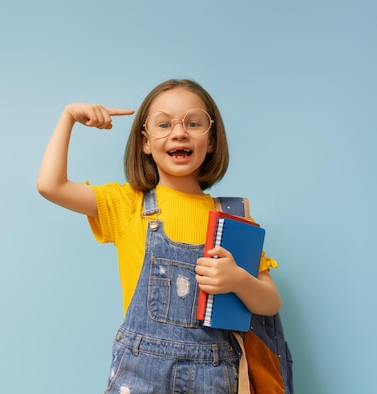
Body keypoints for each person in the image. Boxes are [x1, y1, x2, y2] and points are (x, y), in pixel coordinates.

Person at [37, 79, 281, 393]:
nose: (179, 132)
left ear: (212, 141)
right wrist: (68, 116)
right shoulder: (127, 204)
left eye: (193, 123)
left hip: (215, 376)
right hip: (140, 373)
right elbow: (50, 186)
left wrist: (237, 280)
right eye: (164, 124)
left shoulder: (234, 218)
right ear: (145, 142)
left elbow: (270, 302)